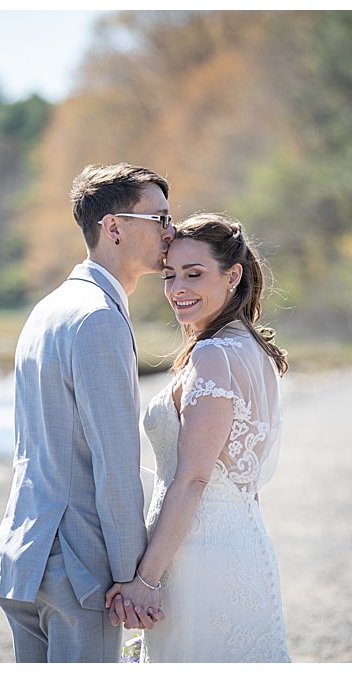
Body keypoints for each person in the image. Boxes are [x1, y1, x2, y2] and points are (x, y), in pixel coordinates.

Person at [0, 163, 174, 662]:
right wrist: (132, 578)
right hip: (77, 570)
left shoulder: (49, 308)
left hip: (23, 556)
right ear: (113, 227)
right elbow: (115, 465)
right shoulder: (98, 319)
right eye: (159, 218)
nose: (170, 232)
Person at [106, 212, 292, 662]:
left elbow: (192, 479)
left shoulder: (213, 355)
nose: (177, 289)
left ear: (233, 276)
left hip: (196, 555)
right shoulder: (254, 351)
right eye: (170, 275)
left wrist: (146, 580)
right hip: (241, 543)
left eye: (194, 274)